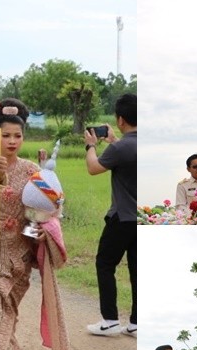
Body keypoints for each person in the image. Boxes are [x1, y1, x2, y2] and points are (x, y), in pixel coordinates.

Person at [0, 98, 69, 350]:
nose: (12, 141)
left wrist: (39, 235)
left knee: (8, 311)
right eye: (5, 135)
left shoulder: (32, 171)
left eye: (17, 135)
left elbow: (39, 214)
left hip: (20, 255)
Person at [83, 93, 137, 337]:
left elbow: (94, 168)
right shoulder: (134, 144)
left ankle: (110, 320)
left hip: (121, 216)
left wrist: (91, 145)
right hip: (142, 219)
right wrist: (113, 141)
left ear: (120, 119)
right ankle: (135, 322)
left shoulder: (121, 147)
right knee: (136, 270)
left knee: (105, 264)